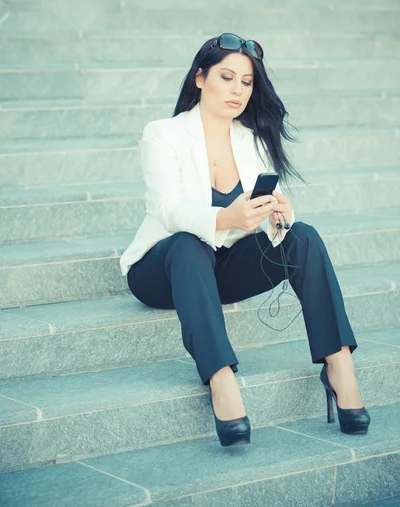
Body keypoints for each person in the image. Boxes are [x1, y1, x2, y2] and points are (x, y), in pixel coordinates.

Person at [120, 33, 370, 447]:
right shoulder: (164, 133)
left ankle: (339, 364)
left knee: (303, 237)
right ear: (200, 78)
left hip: (219, 270)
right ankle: (221, 380)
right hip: (161, 270)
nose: (238, 90)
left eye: (247, 82)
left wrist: (277, 216)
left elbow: (258, 224)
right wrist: (225, 216)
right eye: (227, 77)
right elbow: (167, 209)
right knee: (188, 242)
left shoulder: (252, 139)